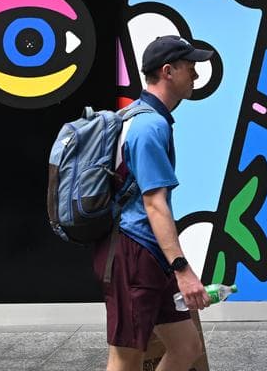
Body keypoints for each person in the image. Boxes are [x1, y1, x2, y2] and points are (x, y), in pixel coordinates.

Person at [96, 35, 215, 371]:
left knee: (187, 345)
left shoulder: (143, 117)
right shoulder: (149, 126)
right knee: (126, 356)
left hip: (148, 253)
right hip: (134, 251)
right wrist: (183, 269)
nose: (195, 75)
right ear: (167, 71)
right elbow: (155, 204)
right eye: (190, 67)